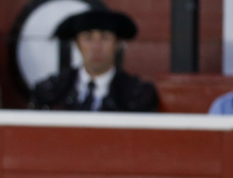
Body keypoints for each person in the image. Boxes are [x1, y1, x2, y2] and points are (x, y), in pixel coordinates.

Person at [29, 8, 159, 112]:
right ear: (77, 44)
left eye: (104, 38)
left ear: (117, 44)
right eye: (88, 38)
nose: (96, 47)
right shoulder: (51, 91)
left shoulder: (137, 94)